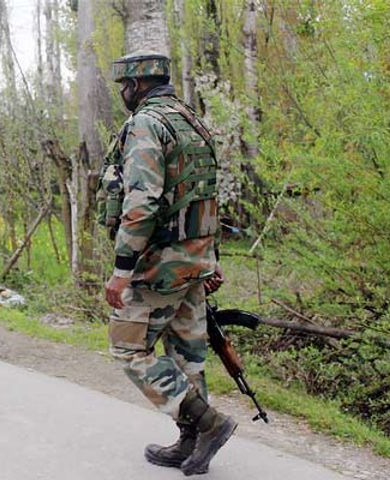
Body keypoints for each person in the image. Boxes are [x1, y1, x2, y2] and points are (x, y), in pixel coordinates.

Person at [99, 51, 236, 476]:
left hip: (160, 262)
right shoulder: (192, 121)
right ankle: (191, 443)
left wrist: (122, 269)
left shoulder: (146, 123)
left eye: (124, 86)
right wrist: (209, 258)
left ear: (137, 84)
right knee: (186, 352)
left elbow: (142, 202)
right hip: (193, 258)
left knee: (128, 345)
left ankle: (209, 424)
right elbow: (204, 196)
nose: (123, 93)